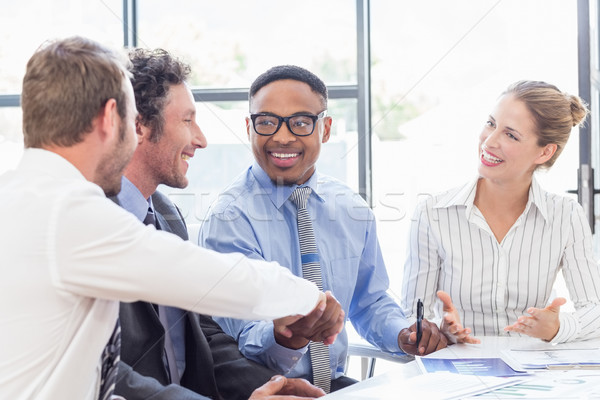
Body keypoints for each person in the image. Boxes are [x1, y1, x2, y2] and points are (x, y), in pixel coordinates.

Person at [0, 37, 330, 400]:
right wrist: (310, 298)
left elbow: (92, 374)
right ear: (114, 117)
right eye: (130, 117)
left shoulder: (23, 196)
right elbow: (219, 280)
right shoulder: (67, 210)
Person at [199, 65, 454, 393]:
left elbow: (370, 301)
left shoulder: (351, 209)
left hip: (337, 386)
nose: (282, 136)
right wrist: (289, 334)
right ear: (249, 127)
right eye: (266, 122)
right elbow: (244, 333)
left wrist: (403, 334)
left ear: (326, 128)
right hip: (263, 388)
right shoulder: (228, 219)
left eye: (301, 122)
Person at [112, 47, 328, 400]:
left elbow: (200, 334)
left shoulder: (166, 214)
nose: (201, 139)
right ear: (139, 125)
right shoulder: (87, 224)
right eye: (187, 120)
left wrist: (267, 387)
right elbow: (99, 369)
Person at [401, 80, 600, 344]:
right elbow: (411, 315)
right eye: (491, 124)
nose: (489, 141)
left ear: (545, 151)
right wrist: (438, 331)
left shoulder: (565, 215)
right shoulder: (432, 213)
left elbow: (594, 312)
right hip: (457, 371)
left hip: (533, 372)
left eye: (511, 135)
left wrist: (557, 327)